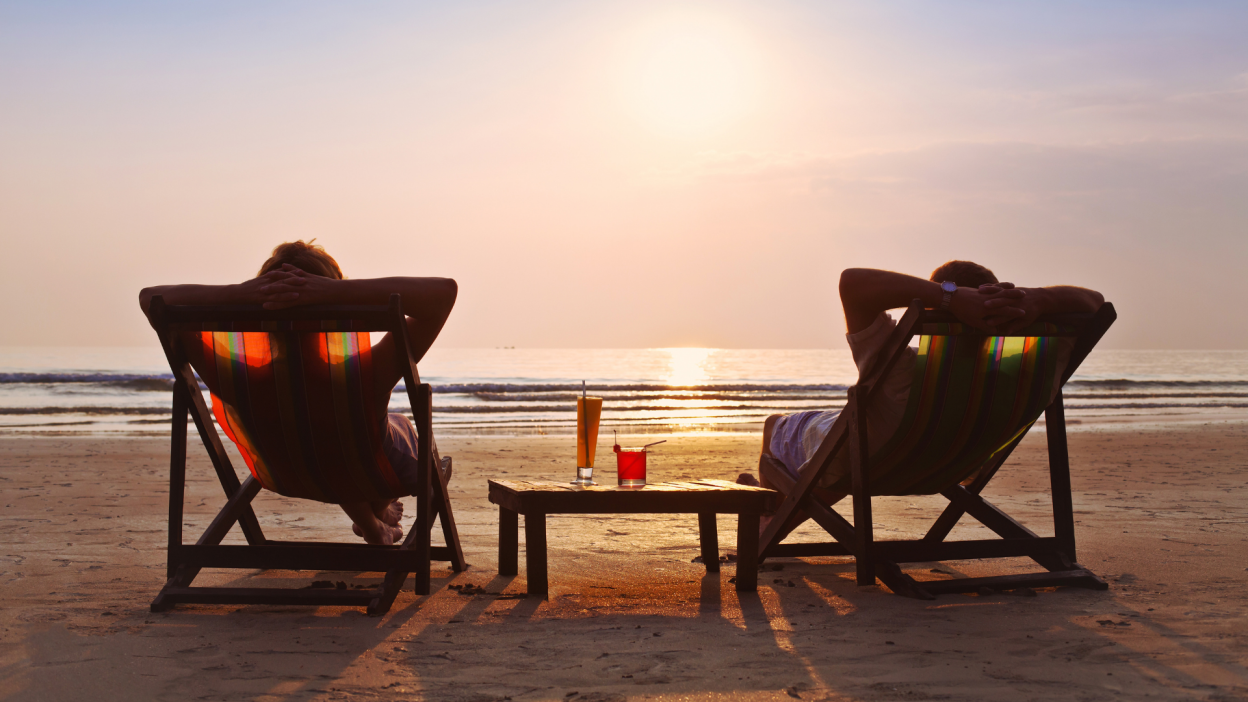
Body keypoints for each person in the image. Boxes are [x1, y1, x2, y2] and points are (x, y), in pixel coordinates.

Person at [739, 261, 1104, 532]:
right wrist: (1035, 300)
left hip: (865, 461)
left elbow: (852, 281)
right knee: (844, 448)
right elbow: (1093, 301)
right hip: (954, 464)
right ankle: (776, 514)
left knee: (780, 427)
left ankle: (769, 519)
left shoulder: (901, 372)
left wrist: (947, 297)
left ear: (934, 312)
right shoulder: (1024, 371)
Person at [139, 240, 457, 546]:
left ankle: (375, 521)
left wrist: (241, 294)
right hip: (372, 476)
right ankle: (376, 511)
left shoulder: (235, 377)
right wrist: (337, 291)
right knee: (390, 427)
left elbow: (151, 299)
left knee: (328, 443)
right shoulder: (367, 374)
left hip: (287, 475)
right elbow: (445, 293)